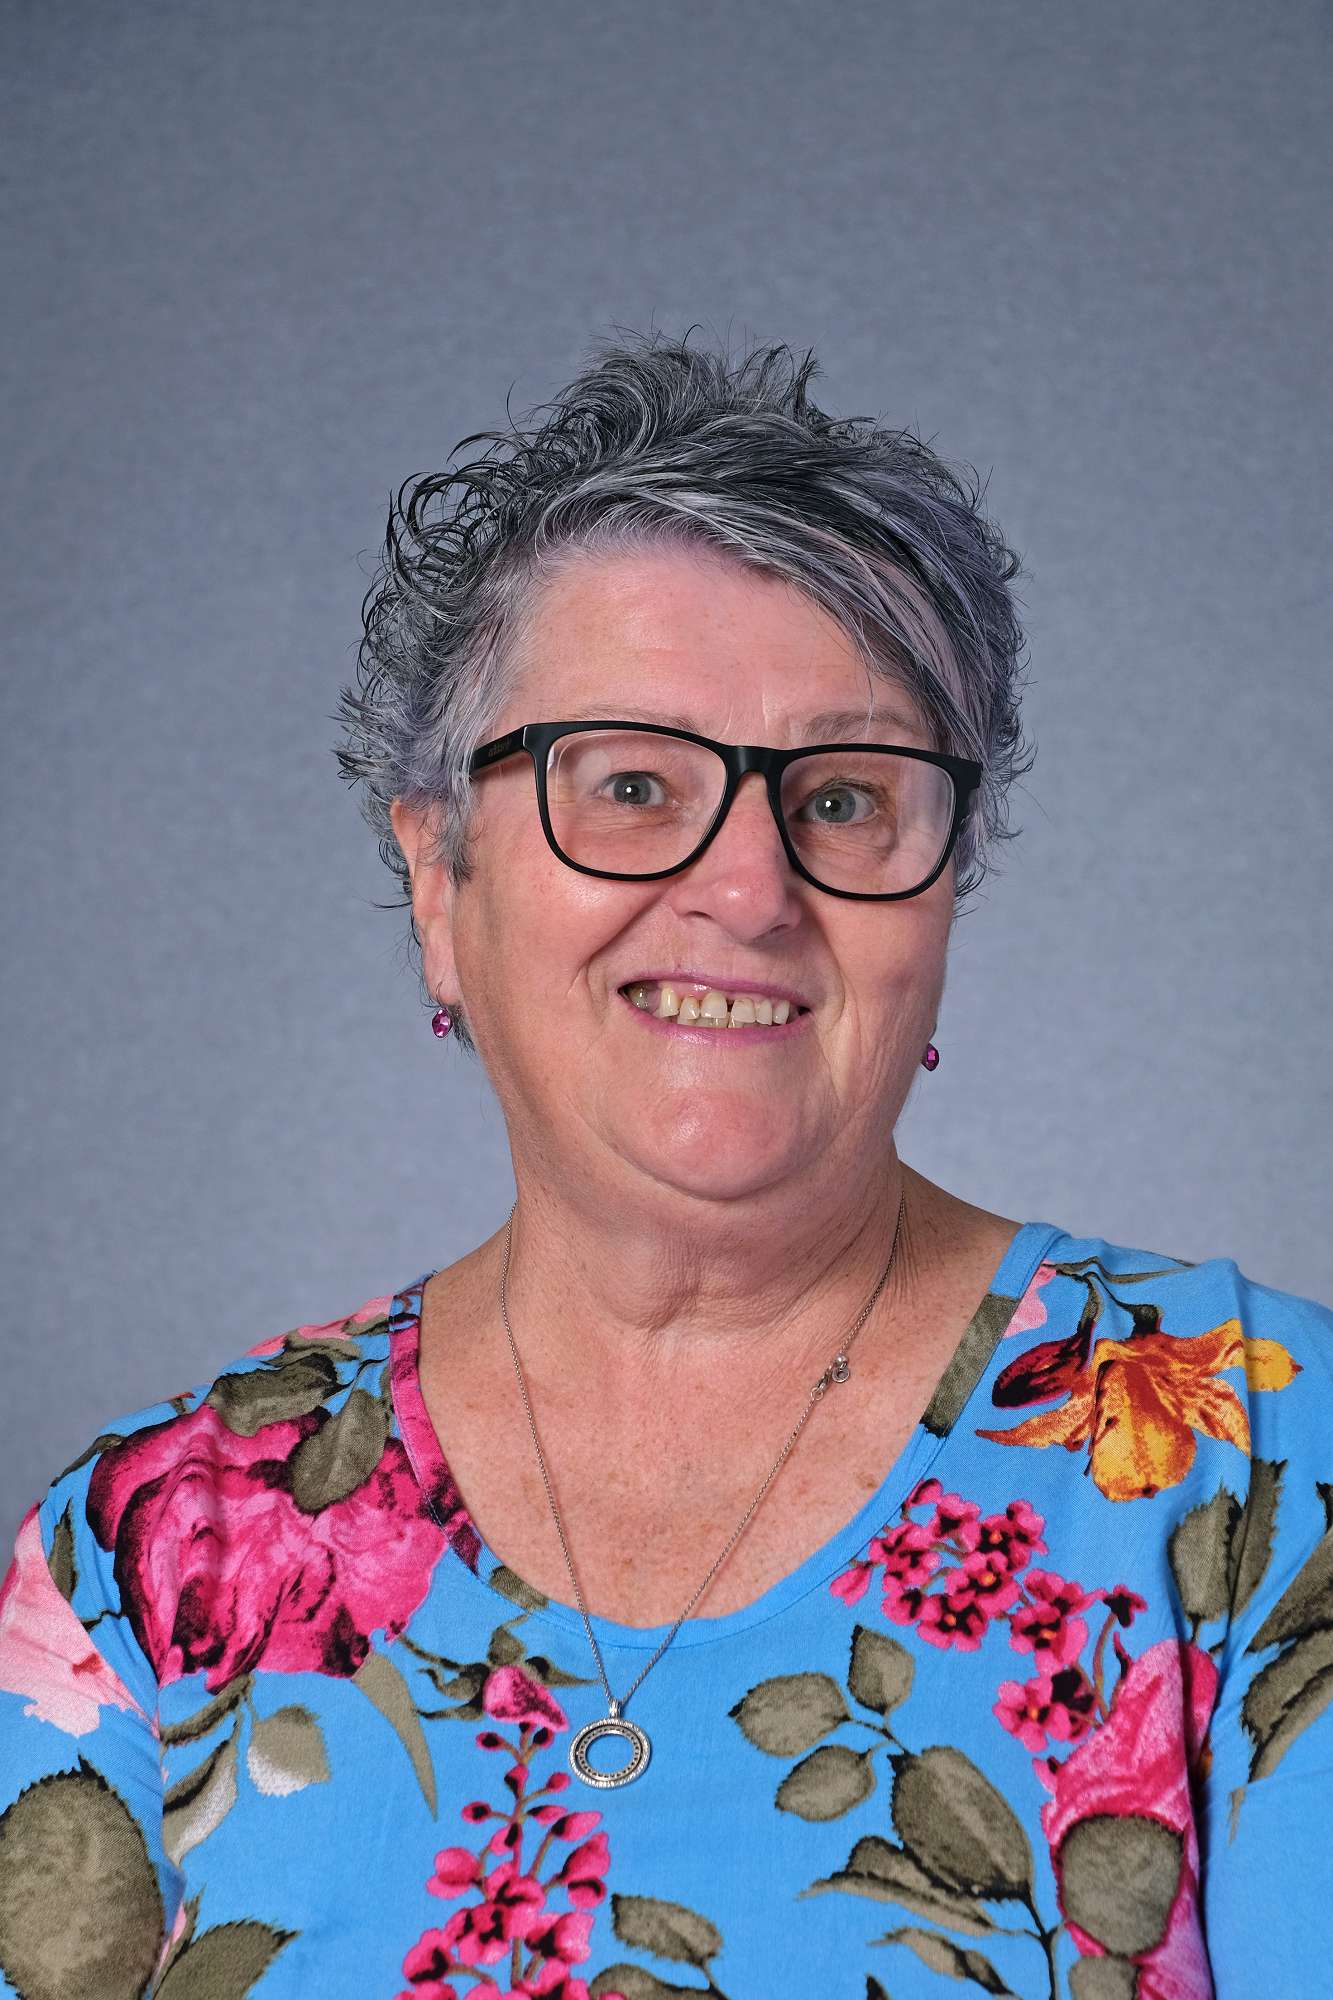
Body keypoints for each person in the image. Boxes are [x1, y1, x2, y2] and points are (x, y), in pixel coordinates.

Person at [0, 330, 1327, 2000]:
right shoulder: (142, 1559)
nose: (749, 890)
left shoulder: (1257, 1463)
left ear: (941, 895)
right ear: (439, 883)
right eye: (631, 784)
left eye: (841, 802)